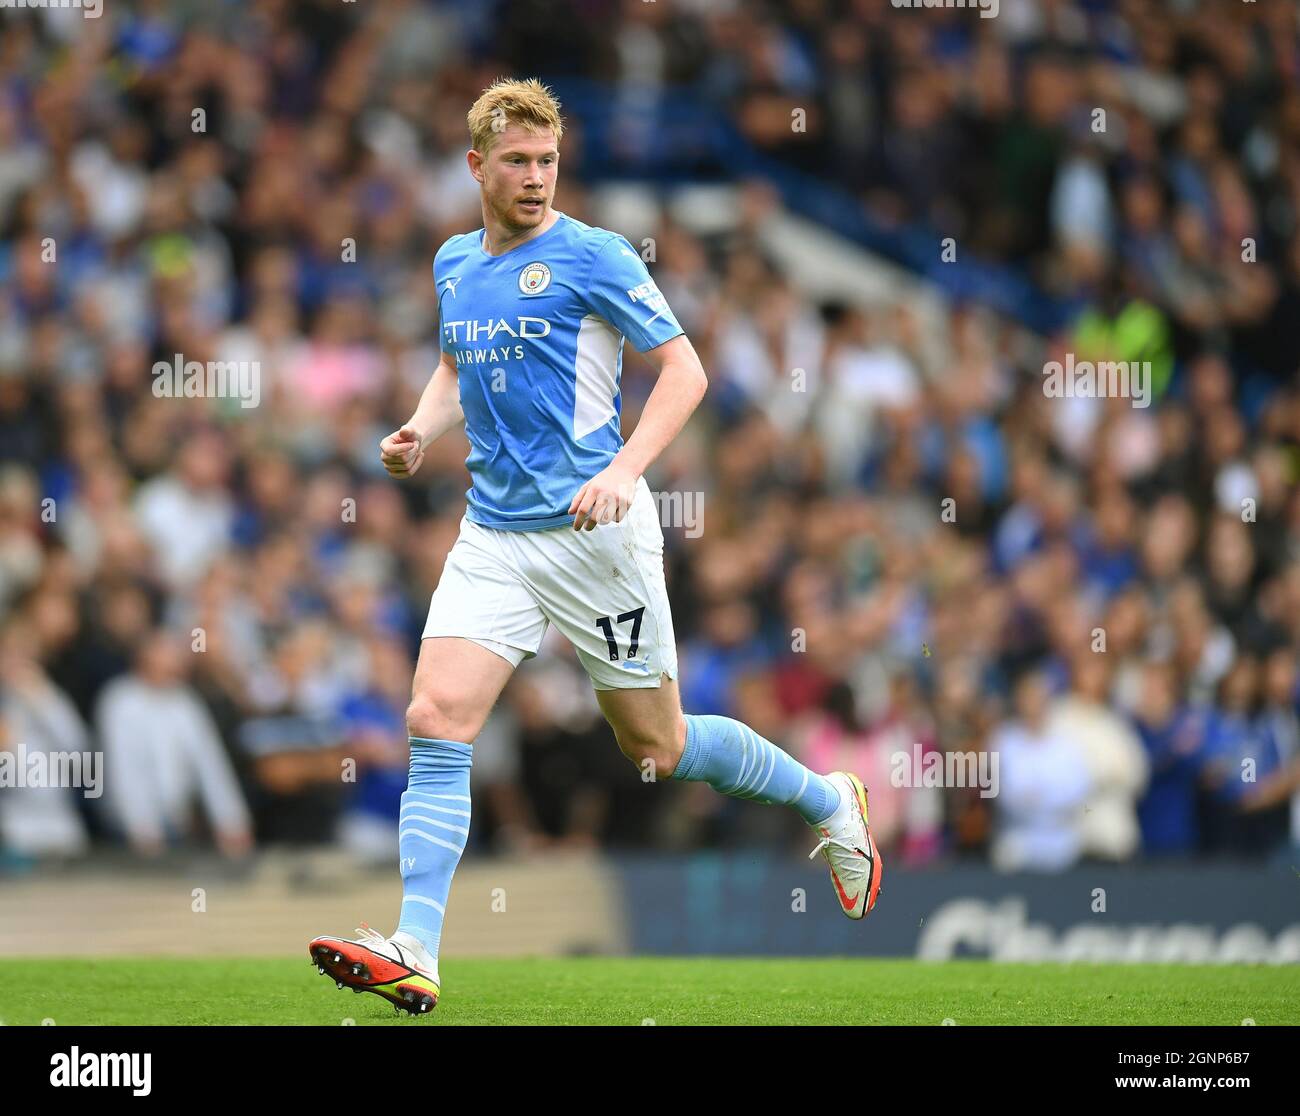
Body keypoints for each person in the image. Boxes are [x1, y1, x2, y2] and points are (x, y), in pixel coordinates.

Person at [309, 79, 882, 1015]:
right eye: (518, 163)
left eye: (548, 162)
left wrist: (623, 469)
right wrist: (419, 427)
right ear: (476, 168)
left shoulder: (596, 255)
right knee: (435, 716)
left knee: (656, 746)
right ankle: (416, 946)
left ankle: (829, 801)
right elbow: (458, 363)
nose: (536, 179)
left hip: (595, 537)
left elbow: (685, 372)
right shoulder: (455, 263)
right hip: (492, 533)